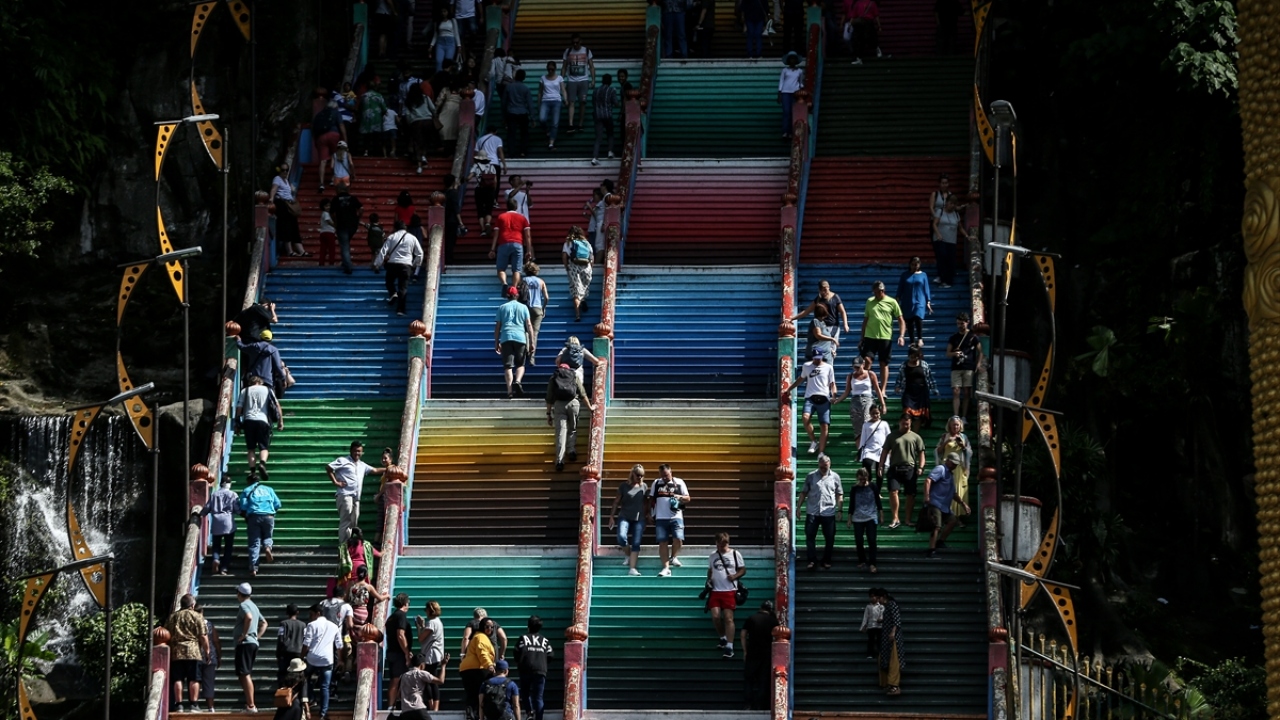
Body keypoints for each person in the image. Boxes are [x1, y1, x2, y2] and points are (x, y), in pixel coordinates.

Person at [782, 347, 838, 456]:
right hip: (810, 398)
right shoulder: (806, 366)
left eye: (819, 358)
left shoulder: (828, 367)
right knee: (805, 417)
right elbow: (800, 379)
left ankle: (821, 452)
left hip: (824, 399)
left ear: (822, 356)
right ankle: (813, 441)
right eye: (815, 358)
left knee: (824, 426)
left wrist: (834, 395)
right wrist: (789, 389)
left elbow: (832, 383)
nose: (817, 360)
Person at [327, 441, 386, 543]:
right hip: (345, 495)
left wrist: (389, 469)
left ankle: (350, 545)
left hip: (356, 497)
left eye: (359, 451)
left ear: (362, 452)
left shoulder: (362, 465)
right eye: (355, 451)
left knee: (354, 522)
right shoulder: (343, 460)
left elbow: (375, 470)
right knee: (345, 522)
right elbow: (329, 468)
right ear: (351, 451)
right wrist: (336, 482)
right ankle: (343, 546)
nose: (357, 453)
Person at [545, 362, 594, 472]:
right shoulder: (574, 375)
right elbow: (582, 393)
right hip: (573, 403)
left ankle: (559, 461)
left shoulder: (554, 377)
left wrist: (548, 413)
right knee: (572, 429)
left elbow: (549, 397)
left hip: (559, 405)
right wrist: (590, 408)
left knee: (561, 432)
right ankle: (571, 450)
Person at [879, 414, 925, 529]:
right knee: (893, 491)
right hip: (895, 467)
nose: (906, 425)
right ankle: (895, 518)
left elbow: (921, 454)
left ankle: (908, 519)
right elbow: (884, 452)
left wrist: (921, 467)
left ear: (911, 423)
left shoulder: (916, 437)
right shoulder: (891, 436)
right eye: (904, 423)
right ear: (900, 422)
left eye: (908, 424)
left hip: (910, 468)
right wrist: (880, 466)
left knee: (910, 494)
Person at [859, 280, 907, 390]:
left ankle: (883, 389)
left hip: (885, 337)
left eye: (878, 292)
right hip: (870, 336)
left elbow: (901, 320)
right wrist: (861, 338)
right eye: (874, 292)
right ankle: (865, 386)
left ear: (883, 291)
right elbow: (865, 320)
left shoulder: (892, 302)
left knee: (883, 363)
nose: (876, 294)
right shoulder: (869, 301)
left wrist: (901, 336)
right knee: (867, 360)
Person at [166, 594, 209, 714]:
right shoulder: (197, 616)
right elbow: (203, 636)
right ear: (192, 605)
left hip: (176, 652)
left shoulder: (172, 617)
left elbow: (166, 633)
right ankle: (193, 704)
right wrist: (207, 651)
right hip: (193, 651)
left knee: (178, 679)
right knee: (194, 678)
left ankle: (179, 705)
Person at [798, 453, 843, 570]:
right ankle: (812, 560)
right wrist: (798, 508)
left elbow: (839, 494)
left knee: (830, 537)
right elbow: (803, 492)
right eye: (821, 466)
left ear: (829, 464)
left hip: (829, 512)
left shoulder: (835, 477)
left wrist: (840, 510)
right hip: (813, 512)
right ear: (818, 464)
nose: (823, 469)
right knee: (810, 536)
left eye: (825, 466)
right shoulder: (811, 476)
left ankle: (826, 560)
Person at [374, 218, 426, 317]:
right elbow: (420, 253)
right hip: (406, 265)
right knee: (403, 288)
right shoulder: (412, 238)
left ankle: (393, 293)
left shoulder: (391, 237)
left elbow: (383, 251)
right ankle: (400, 310)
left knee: (389, 282)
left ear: (395, 228)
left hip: (393, 264)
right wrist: (415, 264)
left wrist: (377, 264)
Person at [707, 532, 746, 659]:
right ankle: (723, 637)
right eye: (718, 545)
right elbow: (710, 570)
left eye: (722, 545)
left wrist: (734, 576)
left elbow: (743, 569)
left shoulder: (735, 554)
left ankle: (730, 646)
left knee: (728, 618)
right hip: (715, 591)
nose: (720, 547)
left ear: (727, 543)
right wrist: (708, 581)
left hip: (729, 590)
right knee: (716, 617)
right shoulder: (713, 556)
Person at [302, 602, 343, 719]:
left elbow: (306, 644)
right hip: (327, 660)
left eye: (311, 614)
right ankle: (323, 713)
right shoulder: (334, 626)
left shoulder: (311, 625)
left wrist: (301, 656)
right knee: (325, 686)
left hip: (312, 658)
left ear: (318, 613)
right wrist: (340, 660)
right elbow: (339, 645)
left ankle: (311, 698)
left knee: (305, 678)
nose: (310, 617)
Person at [924, 451, 969, 558]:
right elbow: (928, 480)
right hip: (935, 502)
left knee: (953, 520)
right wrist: (926, 496)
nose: (954, 466)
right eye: (953, 463)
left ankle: (940, 541)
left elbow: (953, 493)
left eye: (956, 464)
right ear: (947, 461)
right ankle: (931, 550)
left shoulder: (950, 475)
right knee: (937, 525)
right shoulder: (941, 469)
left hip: (944, 506)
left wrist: (963, 504)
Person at [835, 355, 887, 445]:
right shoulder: (850, 376)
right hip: (855, 401)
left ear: (863, 364)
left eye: (858, 367)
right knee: (857, 427)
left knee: (868, 422)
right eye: (854, 367)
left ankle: (871, 446)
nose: (856, 369)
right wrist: (837, 400)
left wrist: (883, 404)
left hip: (868, 400)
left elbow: (877, 389)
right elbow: (847, 392)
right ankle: (860, 449)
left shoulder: (870, 374)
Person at [236, 374, 284, 473]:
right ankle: (262, 464)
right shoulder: (267, 389)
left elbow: (239, 408)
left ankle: (252, 471)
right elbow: (277, 405)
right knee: (264, 448)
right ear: (260, 382)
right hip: (263, 421)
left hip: (249, 421)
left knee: (251, 449)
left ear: (250, 383)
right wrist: (280, 421)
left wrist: (237, 424)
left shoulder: (245, 391)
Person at [649, 465, 690, 577]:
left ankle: (674, 557)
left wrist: (679, 497)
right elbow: (651, 499)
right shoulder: (656, 483)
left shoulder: (679, 482)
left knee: (679, 538)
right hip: (661, 517)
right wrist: (650, 514)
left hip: (676, 516)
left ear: (671, 472)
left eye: (666, 475)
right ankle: (665, 567)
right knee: (662, 542)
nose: (664, 478)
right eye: (662, 476)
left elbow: (688, 498)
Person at [496, 286, 536, 397]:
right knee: (520, 364)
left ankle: (509, 391)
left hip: (506, 337)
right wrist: (532, 342)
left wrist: (496, 342)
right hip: (520, 338)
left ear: (507, 296)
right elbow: (529, 325)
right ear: (517, 295)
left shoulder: (502, 308)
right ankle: (518, 381)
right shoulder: (524, 307)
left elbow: (498, 327)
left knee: (508, 366)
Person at [234, 582, 268, 713]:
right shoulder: (254, 606)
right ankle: (249, 703)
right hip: (252, 643)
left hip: (245, 644)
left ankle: (251, 705)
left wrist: (244, 634)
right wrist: (256, 637)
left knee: (245, 673)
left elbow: (248, 617)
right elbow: (264, 623)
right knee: (244, 674)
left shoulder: (244, 605)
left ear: (239, 593)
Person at [239, 470, 281, 576]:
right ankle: (267, 547)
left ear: (249, 481)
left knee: (254, 542)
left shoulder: (246, 491)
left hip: (254, 516)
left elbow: (243, 506)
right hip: (269, 516)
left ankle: (253, 568)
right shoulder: (269, 489)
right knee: (267, 536)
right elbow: (278, 504)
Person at [609, 464, 647, 576]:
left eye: (642, 475)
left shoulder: (644, 486)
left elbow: (646, 503)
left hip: (639, 518)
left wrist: (647, 515)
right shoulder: (624, 486)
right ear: (632, 474)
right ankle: (628, 554)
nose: (639, 477)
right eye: (638, 475)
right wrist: (611, 516)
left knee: (636, 542)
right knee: (621, 537)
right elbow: (616, 501)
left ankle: (632, 568)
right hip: (625, 516)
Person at [740, 600, 778, 710]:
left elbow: (743, 635)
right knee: (763, 680)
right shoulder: (773, 621)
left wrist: (745, 651)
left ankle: (748, 704)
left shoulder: (751, 618)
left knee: (748, 680)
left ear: (761, 607)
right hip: (767, 654)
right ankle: (760, 705)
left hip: (752, 653)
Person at [491, 197, 534, 291]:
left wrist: (492, 249)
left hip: (503, 243)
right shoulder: (522, 218)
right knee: (517, 270)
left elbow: (496, 235)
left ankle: (504, 283)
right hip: (517, 244)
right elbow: (527, 236)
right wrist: (529, 251)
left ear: (507, 206)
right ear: (516, 207)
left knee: (501, 269)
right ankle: (513, 289)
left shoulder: (500, 217)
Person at [460, 617, 498, 719]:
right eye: (487, 626)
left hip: (467, 669)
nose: (490, 629)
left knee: (472, 694)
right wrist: (489, 665)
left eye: (492, 627)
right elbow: (482, 653)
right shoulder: (481, 637)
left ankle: (471, 714)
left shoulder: (478, 636)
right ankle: (477, 714)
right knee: (481, 693)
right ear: (482, 626)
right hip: (477, 668)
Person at [935, 416, 973, 520]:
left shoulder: (963, 437)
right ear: (949, 426)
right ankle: (947, 515)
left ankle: (958, 517)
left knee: (958, 490)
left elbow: (969, 452)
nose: (955, 427)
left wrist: (963, 446)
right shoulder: (944, 436)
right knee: (947, 489)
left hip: (959, 467)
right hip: (946, 467)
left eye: (957, 425)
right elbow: (938, 451)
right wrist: (946, 442)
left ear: (960, 426)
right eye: (953, 425)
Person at [515, 616, 552, 720]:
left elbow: (516, 652)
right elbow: (550, 654)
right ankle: (539, 718)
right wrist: (543, 663)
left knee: (525, 693)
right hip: (540, 670)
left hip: (525, 669)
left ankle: (529, 713)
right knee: (538, 697)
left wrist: (520, 663)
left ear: (528, 626)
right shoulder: (545, 640)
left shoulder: (523, 638)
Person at [795, 280, 850, 349]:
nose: (824, 292)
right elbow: (806, 311)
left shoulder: (835, 297)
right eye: (822, 290)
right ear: (819, 290)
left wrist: (845, 324)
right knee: (821, 348)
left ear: (828, 288)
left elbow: (843, 312)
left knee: (831, 348)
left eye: (826, 290)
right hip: (821, 327)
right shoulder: (818, 299)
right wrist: (793, 318)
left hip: (833, 326)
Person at [894, 345, 938, 429]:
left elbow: (930, 378)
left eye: (915, 357)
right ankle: (907, 431)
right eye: (911, 357)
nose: (913, 359)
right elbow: (899, 378)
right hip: (908, 392)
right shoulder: (904, 365)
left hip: (921, 393)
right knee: (907, 412)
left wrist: (934, 389)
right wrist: (897, 387)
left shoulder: (924, 365)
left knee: (919, 416)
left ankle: (915, 433)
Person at [414, 601, 447, 712]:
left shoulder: (432, 623)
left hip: (430, 655)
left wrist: (419, 627)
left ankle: (433, 706)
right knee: (432, 680)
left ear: (430, 610)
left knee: (429, 681)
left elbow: (421, 638)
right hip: (436, 654)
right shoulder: (438, 622)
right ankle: (434, 706)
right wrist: (423, 625)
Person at [202, 477, 238, 575]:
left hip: (216, 522)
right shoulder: (233, 494)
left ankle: (216, 559)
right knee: (228, 547)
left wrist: (199, 514)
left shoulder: (214, 494)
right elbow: (237, 509)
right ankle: (224, 568)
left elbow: (207, 508)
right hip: (228, 523)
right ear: (228, 484)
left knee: (216, 545)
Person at [946, 313, 980, 419]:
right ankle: (956, 416)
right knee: (956, 391)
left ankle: (964, 417)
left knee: (966, 392)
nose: (960, 326)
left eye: (962, 323)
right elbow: (948, 353)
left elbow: (980, 352)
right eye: (958, 324)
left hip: (968, 367)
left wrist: (978, 365)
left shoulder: (973, 337)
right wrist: (954, 354)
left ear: (967, 322)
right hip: (956, 367)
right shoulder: (954, 338)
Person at [384, 592, 414, 708]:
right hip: (398, 654)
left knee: (396, 680)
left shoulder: (391, 617)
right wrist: (406, 652)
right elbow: (400, 635)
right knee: (396, 680)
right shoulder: (401, 616)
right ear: (405, 603)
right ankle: (391, 706)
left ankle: (395, 705)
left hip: (392, 651)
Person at [847, 468, 881, 571]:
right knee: (859, 540)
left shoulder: (873, 486)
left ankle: (872, 563)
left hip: (871, 517)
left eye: (864, 477)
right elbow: (851, 504)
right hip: (858, 518)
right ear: (857, 477)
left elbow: (878, 500)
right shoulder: (854, 488)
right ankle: (862, 560)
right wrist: (849, 518)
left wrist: (881, 514)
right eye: (861, 478)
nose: (863, 480)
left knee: (872, 540)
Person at [399, 651, 450, 720]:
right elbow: (441, 681)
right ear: (422, 665)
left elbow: (399, 695)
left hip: (405, 711)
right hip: (418, 708)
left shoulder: (403, 676)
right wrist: (443, 665)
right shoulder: (422, 673)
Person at [269, 165, 306, 258]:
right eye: (283, 170)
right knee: (286, 226)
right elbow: (274, 189)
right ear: (279, 170)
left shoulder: (286, 181)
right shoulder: (277, 179)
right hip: (282, 204)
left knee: (294, 226)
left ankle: (301, 250)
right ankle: (289, 250)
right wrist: (271, 198)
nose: (285, 172)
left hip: (289, 204)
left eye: (287, 170)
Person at [895, 257, 933, 347]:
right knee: (909, 320)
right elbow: (900, 288)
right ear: (910, 264)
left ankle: (920, 338)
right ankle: (912, 341)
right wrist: (897, 299)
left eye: (916, 264)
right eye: (912, 264)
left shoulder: (923, 275)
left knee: (918, 317)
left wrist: (928, 301)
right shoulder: (905, 275)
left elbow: (926, 288)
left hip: (920, 301)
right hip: (907, 301)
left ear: (919, 265)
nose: (914, 266)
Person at [932, 193, 967, 287]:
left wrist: (967, 236)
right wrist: (938, 234)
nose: (952, 205)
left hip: (951, 241)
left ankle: (948, 281)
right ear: (946, 202)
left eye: (954, 204)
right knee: (942, 257)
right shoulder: (940, 212)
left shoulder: (956, 214)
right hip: (941, 239)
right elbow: (934, 224)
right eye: (951, 203)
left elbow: (960, 227)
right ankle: (942, 278)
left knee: (950, 260)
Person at [563, 34, 595, 133]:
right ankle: (571, 124)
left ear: (581, 41)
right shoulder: (568, 51)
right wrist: (561, 80)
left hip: (584, 80)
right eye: (573, 43)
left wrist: (593, 80)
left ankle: (580, 124)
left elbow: (591, 66)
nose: (575, 44)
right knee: (571, 102)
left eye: (577, 42)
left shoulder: (587, 51)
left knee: (583, 102)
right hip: (571, 80)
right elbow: (564, 67)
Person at [876, 587, 905, 696]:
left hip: (893, 639)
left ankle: (895, 686)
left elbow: (897, 620)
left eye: (879, 598)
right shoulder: (887, 606)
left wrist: (893, 632)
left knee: (894, 661)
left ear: (883, 597)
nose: (878, 601)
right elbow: (891, 618)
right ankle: (887, 683)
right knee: (884, 660)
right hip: (886, 638)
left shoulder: (892, 605)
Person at [562, 226, 594, 322]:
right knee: (584, 286)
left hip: (574, 267)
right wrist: (591, 268)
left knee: (575, 290)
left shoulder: (568, 243)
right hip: (586, 267)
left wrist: (567, 267)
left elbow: (564, 256)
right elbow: (592, 257)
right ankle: (583, 299)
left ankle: (577, 315)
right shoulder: (587, 243)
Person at [403, 84, 436, 175]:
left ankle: (419, 165)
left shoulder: (409, 101)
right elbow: (433, 108)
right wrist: (433, 116)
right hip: (428, 121)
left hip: (416, 122)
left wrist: (410, 123)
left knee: (417, 143)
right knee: (425, 140)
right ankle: (424, 155)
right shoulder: (425, 98)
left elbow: (407, 114)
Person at [854, 403, 891, 484]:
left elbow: (889, 437)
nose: (875, 415)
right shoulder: (866, 425)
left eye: (877, 413)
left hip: (881, 450)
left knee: (879, 469)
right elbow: (863, 438)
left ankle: (878, 489)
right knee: (866, 464)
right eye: (873, 413)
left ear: (880, 413)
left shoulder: (884, 424)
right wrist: (860, 450)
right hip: (869, 449)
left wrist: (889, 450)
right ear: (870, 414)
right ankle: (869, 483)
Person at [313, 101, 346, 191]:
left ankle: (321, 183)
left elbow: (314, 128)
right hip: (333, 135)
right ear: (335, 107)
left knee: (323, 161)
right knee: (335, 156)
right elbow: (341, 125)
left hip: (321, 137)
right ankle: (332, 179)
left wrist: (316, 141)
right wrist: (344, 139)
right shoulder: (336, 113)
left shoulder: (319, 115)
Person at [469, 149, 502, 238]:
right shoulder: (492, 166)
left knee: (480, 210)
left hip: (479, 189)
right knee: (489, 209)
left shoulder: (476, 166)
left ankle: (483, 229)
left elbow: (469, 177)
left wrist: (465, 179)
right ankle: (488, 223)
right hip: (490, 190)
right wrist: (494, 192)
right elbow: (495, 181)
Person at [332, 184, 363, 275]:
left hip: (342, 225)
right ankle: (345, 261)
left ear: (338, 189)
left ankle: (348, 266)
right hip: (353, 225)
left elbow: (332, 213)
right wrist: (358, 218)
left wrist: (335, 222)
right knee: (346, 242)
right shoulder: (353, 198)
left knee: (344, 245)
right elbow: (361, 208)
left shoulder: (336, 199)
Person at [521, 264, 549, 363]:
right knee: (535, 333)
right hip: (537, 308)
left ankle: (525, 351)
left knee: (525, 331)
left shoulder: (523, 280)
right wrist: (543, 308)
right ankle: (532, 357)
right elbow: (546, 298)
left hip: (525, 308)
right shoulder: (541, 281)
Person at [195, 604, 220, 711]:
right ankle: (211, 707)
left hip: (195, 656)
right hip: (210, 656)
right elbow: (216, 641)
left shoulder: (192, 624)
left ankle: (194, 704)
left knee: (195, 680)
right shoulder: (209, 624)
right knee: (209, 682)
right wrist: (219, 656)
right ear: (202, 612)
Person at [275, 604, 307, 686]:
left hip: (285, 653)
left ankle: (283, 691)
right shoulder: (303, 625)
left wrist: (278, 654)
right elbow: (305, 639)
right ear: (297, 612)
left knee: (283, 675)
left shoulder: (283, 624)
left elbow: (281, 639)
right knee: (299, 674)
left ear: (287, 613)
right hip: (298, 653)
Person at [503, 69, 532, 159]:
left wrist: (504, 116)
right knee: (524, 133)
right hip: (523, 112)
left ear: (515, 76)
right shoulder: (526, 88)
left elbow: (504, 102)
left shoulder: (508, 87)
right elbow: (530, 103)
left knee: (511, 133)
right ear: (524, 77)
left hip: (511, 112)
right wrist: (533, 117)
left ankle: (511, 152)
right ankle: (523, 151)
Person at [591, 74, 619, 165]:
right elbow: (616, 103)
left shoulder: (596, 91)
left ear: (602, 80)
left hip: (598, 116)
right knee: (610, 134)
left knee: (598, 138)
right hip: (608, 115)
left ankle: (595, 157)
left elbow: (593, 102)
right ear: (610, 81)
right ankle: (610, 152)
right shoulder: (612, 90)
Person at [538, 62, 565, 150]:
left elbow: (563, 90)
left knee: (555, 123)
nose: (550, 71)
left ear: (555, 69)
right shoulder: (543, 78)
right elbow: (540, 92)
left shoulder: (559, 78)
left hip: (557, 101)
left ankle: (551, 143)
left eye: (552, 69)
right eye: (549, 69)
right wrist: (539, 103)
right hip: (545, 100)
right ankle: (547, 132)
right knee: (542, 119)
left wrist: (566, 99)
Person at [845, 0, 882, 64]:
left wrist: (879, 26)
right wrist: (850, 24)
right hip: (861, 24)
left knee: (868, 38)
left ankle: (876, 48)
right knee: (859, 40)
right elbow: (853, 16)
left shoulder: (870, 3)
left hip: (867, 23)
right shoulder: (859, 3)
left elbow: (876, 15)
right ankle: (859, 58)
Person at [778, 52, 804, 139]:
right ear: (788, 61)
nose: (792, 60)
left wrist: (801, 90)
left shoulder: (800, 71)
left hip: (795, 93)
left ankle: (791, 131)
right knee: (786, 112)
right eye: (791, 59)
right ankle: (785, 131)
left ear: (796, 61)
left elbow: (800, 82)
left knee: (793, 112)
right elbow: (781, 81)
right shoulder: (785, 70)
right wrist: (779, 92)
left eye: (794, 59)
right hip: (785, 92)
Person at [360, 82, 389, 157]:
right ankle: (375, 152)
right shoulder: (379, 95)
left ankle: (366, 151)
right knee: (376, 137)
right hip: (376, 118)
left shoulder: (363, 96)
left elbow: (360, 107)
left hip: (366, 118)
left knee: (366, 136)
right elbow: (384, 109)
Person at [427, 6, 459, 73]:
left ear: (448, 12)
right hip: (440, 42)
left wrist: (459, 45)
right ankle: (439, 76)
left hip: (450, 42)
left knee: (448, 62)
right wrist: (431, 45)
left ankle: (447, 76)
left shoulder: (452, 20)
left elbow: (456, 33)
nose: (443, 13)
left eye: (445, 11)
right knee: (439, 60)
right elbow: (435, 34)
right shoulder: (438, 22)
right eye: (442, 12)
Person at [859, 588, 884, 658]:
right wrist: (863, 626)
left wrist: (881, 619)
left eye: (874, 596)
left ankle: (880, 654)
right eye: (871, 596)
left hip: (879, 626)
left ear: (877, 597)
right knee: (871, 641)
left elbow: (882, 614)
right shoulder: (868, 607)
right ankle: (870, 654)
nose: (872, 598)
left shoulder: (881, 606)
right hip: (870, 626)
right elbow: (865, 617)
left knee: (879, 641)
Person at [583, 187, 607, 259]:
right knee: (591, 246)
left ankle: (596, 260)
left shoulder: (601, 204)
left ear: (599, 195)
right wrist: (587, 216)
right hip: (592, 229)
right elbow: (594, 218)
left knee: (594, 246)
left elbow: (596, 216)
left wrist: (589, 207)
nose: (593, 197)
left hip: (595, 229)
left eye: (594, 195)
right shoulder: (597, 205)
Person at [317, 198, 337, 266]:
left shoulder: (323, 213)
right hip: (329, 232)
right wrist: (335, 226)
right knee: (332, 249)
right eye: (326, 206)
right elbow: (328, 221)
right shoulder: (326, 213)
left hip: (323, 232)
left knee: (323, 249)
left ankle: (321, 262)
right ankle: (331, 262)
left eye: (329, 205)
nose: (328, 207)